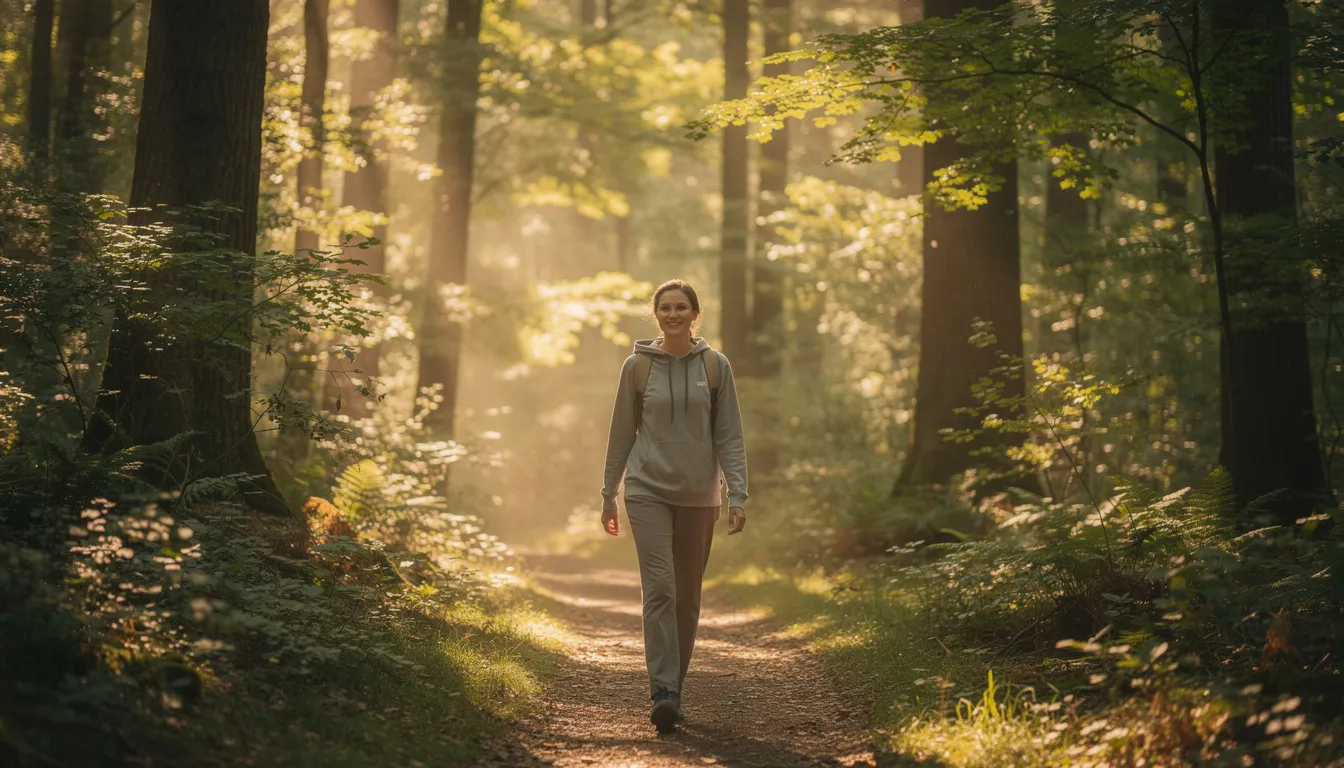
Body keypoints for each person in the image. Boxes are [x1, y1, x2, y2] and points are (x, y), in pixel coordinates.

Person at [599, 279, 749, 734]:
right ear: (655, 314)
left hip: (700, 494)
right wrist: (609, 492)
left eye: (682, 307)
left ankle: (675, 689)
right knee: (660, 588)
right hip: (646, 490)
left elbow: (729, 435)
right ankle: (663, 690)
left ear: (695, 314)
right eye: (665, 307)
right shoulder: (637, 367)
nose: (673, 314)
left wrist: (737, 493)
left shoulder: (716, 366)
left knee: (687, 597)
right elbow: (621, 433)